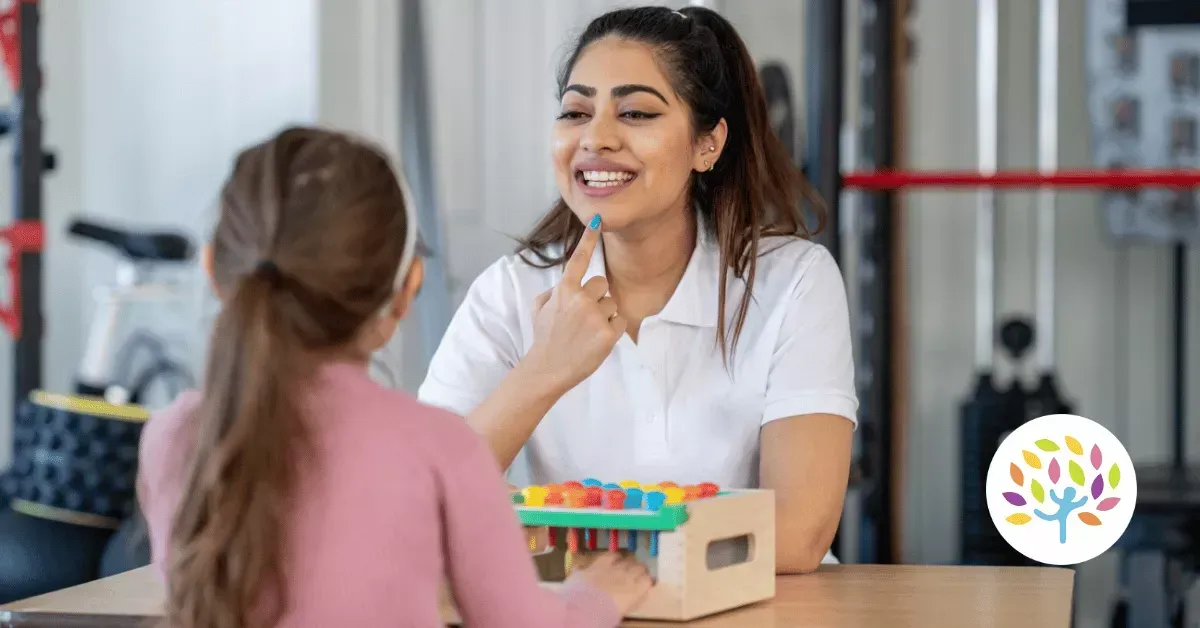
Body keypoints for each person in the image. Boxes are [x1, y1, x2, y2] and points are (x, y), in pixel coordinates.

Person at [136, 127, 652, 628]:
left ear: (213, 271)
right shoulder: (438, 447)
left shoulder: (170, 437)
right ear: (407, 290)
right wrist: (596, 595)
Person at [416, 6, 858, 574]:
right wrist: (543, 370)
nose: (596, 138)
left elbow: (797, 534)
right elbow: (422, 507)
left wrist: (591, 554)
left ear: (707, 145)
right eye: (576, 112)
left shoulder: (794, 282)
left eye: (635, 112)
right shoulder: (507, 292)